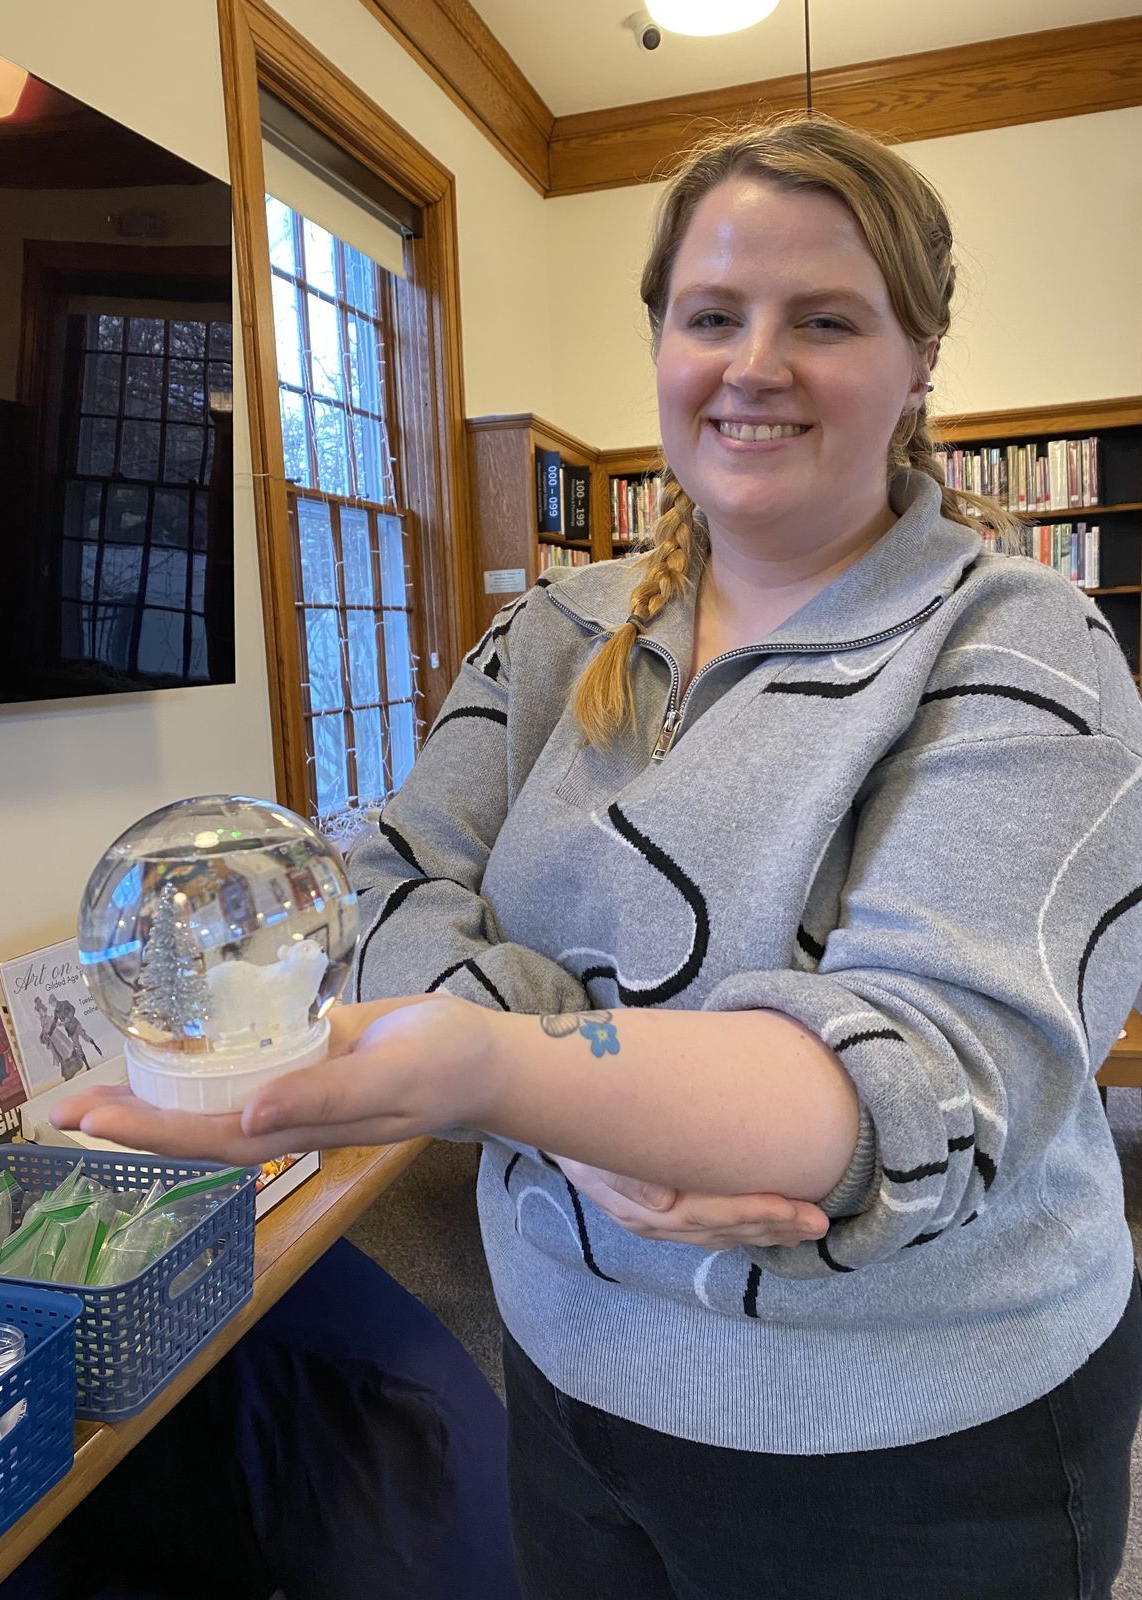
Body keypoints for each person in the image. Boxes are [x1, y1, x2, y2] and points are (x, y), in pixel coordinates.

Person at [57, 112, 1142, 1599]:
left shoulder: (1029, 644)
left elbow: (932, 1079)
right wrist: (622, 1096)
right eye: (713, 316)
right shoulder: (550, 634)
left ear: (918, 360)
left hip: (916, 1444)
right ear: (664, 343)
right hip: (567, 1377)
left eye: (824, 319)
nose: (754, 363)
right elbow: (376, 893)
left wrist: (508, 1071)